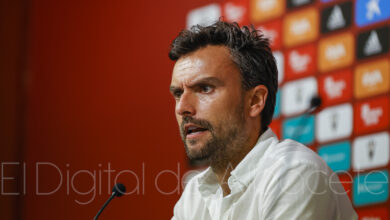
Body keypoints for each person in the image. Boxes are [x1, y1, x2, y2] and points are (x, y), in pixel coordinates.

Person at [168, 21, 357, 220]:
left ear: (255, 101)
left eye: (205, 88)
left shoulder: (295, 173)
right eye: (178, 93)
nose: (182, 108)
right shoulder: (194, 196)